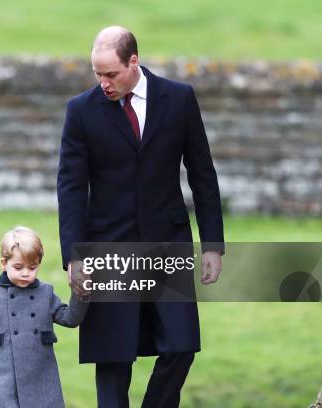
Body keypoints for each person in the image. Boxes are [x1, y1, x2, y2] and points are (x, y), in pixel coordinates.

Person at [57, 26, 225, 407]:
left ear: (134, 61)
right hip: (108, 247)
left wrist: (212, 243)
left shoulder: (179, 99)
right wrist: (74, 255)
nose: (103, 83)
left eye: (111, 74)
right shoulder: (81, 110)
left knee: (182, 346)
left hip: (168, 242)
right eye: (97, 74)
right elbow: (70, 187)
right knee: (114, 357)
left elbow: (202, 173)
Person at [0, 226, 89, 408]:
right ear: (3, 263)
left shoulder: (45, 293)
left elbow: (70, 319)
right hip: (3, 378)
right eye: (18, 267)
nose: (26, 273)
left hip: (41, 377)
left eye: (32, 268)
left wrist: (81, 293)